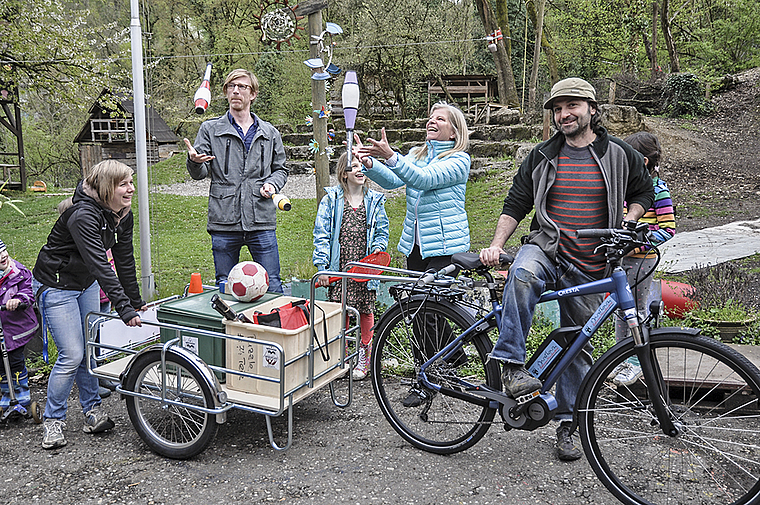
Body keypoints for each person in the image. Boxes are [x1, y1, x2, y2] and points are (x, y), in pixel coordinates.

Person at [479, 78, 654, 461]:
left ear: (592, 109)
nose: (563, 115)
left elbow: (644, 192)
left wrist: (630, 219)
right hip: (547, 248)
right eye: (557, 109)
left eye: (571, 106)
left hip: (592, 263)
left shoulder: (620, 154)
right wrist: (497, 244)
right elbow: (516, 203)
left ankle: (568, 424)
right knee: (521, 276)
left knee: (578, 346)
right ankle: (510, 366)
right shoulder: (542, 156)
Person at [355, 101, 471, 404]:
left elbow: (424, 180)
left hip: (446, 248)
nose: (431, 122)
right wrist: (369, 164)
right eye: (430, 117)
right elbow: (395, 179)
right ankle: (452, 357)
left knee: (427, 312)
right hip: (417, 246)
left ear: (454, 130)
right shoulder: (418, 155)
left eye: (440, 119)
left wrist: (391, 156)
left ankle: (429, 378)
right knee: (422, 312)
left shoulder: (459, 160)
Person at [34, 160, 147, 450]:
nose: (131, 189)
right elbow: (100, 264)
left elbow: (123, 260)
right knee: (72, 354)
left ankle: (92, 411)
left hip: (84, 283)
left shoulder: (121, 213)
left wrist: (135, 302)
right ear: (107, 187)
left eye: (131, 182)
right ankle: (53, 420)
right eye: (124, 184)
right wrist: (123, 309)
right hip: (57, 284)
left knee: (90, 349)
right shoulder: (82, 215)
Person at [184, 68, 288, 293]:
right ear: (225, 93)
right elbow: (200, 173)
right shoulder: (210, 130)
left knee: (273, 285)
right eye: (231, 87)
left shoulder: (270, 133)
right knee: (226, 286)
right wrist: (194, 161)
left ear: (253, 94)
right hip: (224, 220)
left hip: (261, 220)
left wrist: (272, 183)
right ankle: (232, 329)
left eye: (242, 87)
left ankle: (270, 327)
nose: (236, 91)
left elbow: (281, 170)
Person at [313, 152, 389, 380]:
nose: (359, 170)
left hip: (364, 267)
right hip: (341, 265)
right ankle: (341, 356)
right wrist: (322, 266)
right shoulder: (331, 200)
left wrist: (377, 248)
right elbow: (321, 234)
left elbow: (382, 231)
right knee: (340, 311)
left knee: (366, 310)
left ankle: (365, 356)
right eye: (353, 166)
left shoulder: (375, 201)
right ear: (343, 174)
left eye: (361, 166)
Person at [609, 132, 675, 386]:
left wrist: (637, 246)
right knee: (619, 310)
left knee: (636, 310)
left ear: (643, 161)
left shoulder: (658, 190)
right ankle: (619, 357)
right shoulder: (624, 187)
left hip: (641, 261)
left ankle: (636, 363)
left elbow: (668, 229)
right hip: (620, 259)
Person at [0, 239, 39, 411]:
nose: (3, 255)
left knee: (15, 360)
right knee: (1, 363)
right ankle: (7, 393)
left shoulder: (18, 272)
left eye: (4, 250)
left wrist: (18, 299)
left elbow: (29, 289)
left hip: (14, 328)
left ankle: (21, 392)